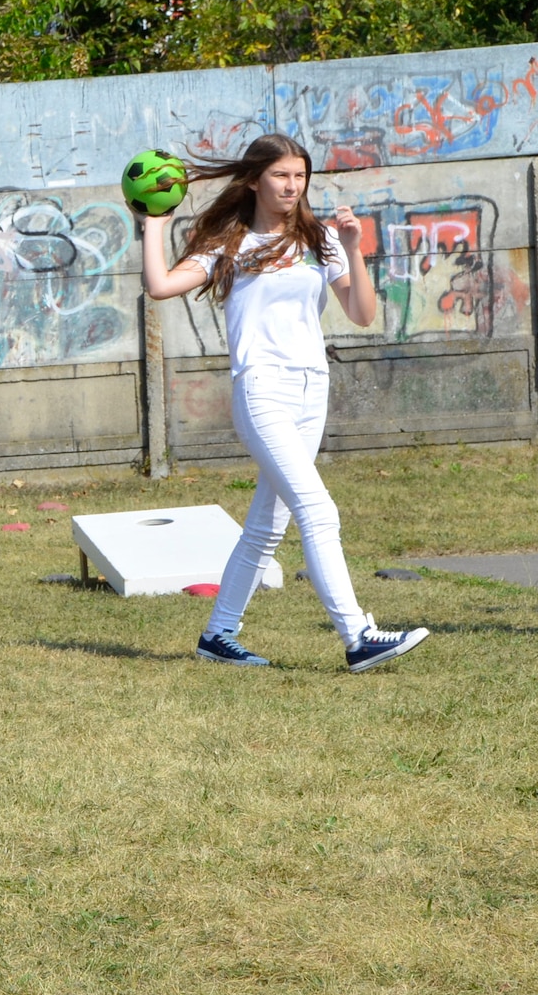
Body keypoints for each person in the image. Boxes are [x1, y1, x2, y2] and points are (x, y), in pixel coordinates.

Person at [142, 134, 428, 673]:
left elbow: (362, 313)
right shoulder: (232, 243)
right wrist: (154, 219)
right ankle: (358, 635)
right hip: (262, 389)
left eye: (300, 176)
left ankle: (218, 635)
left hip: (311, 388)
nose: (292, 186)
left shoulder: (319, 239)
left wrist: (353, 247)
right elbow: (160, 286)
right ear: (254, 180)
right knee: (317, 510)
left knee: (268, 526)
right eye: (281, 176)